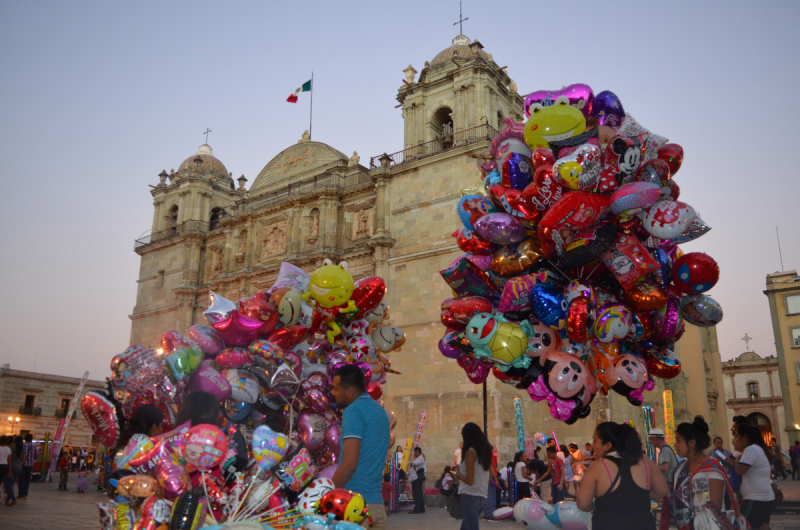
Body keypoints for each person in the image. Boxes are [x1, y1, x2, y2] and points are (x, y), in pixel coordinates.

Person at [576, 421, 668, 530]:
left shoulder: (597, 467)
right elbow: (662, 490)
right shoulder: (645, 461)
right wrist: (635, 498)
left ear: (608, 445)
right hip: (643, 523)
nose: (592, 445)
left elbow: (583, 503)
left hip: (609, 524)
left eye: (595, 441)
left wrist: (596, 505)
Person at [330, 364, 390, 530]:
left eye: (336, 388)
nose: (333, 393)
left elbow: (349, 465)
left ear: (350, 391)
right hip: (376, 506)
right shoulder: (379, 411)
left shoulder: (353, 411)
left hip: (354, 508)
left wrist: (325, 494)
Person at [672, 417, 744, 529]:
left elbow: (716, 508)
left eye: (678, 440)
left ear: (692, 443)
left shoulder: (712, 468)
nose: (675, 445)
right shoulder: (681, 469)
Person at [726, 422, 776, 530]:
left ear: (744, 437)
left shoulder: (751, 449)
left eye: (737, 436)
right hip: (764, 498)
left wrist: (731, 464)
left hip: (755, 500)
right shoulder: (756, 449)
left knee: (742, 525)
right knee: (763, 526)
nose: (735, 440)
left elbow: (740, 470)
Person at [454, 422, 493, 530]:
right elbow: (489, 478)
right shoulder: (484, 452)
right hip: (482, 497)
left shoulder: (471, 452)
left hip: (470, 497)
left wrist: (458, 475)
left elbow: (470, 480)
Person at [647, 428, 677, 530]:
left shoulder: (665, 450)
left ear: (657, 439)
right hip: (669, 484)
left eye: (651, 439)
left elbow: (665, 467)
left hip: (670, 484)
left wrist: (652, 471)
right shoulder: (664, 450)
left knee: (667, 511)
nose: (650, 442)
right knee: (666, 511)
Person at [4, 436, 23, 506]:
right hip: (19, 467)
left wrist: (9, 469)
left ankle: (13, 499)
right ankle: (7, 501)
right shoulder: (22, 449)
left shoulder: (11, 448)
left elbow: (9, 459)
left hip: (12, 467)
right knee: (11, 484)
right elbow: (24, 459)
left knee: (8, 484)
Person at [408, 446, 427, 514]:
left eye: (416, 452)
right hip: (415, 478)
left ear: (420, 453)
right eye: (414, 452)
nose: (415, 454)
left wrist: (410, 461)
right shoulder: (418, 458)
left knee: (416, 494)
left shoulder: (420, 458)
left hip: (416, 478)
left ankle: (417, 508)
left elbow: (415, 463)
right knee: (419, 493)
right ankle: (421, 508)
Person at [18, 434, 35, 500]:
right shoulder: (33, 447)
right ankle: (25, 493)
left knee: (21, 479)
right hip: (30, 465)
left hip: (22, 464)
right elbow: (36, 456)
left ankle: (20, 494)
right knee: (27, 480)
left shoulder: (22, 445)